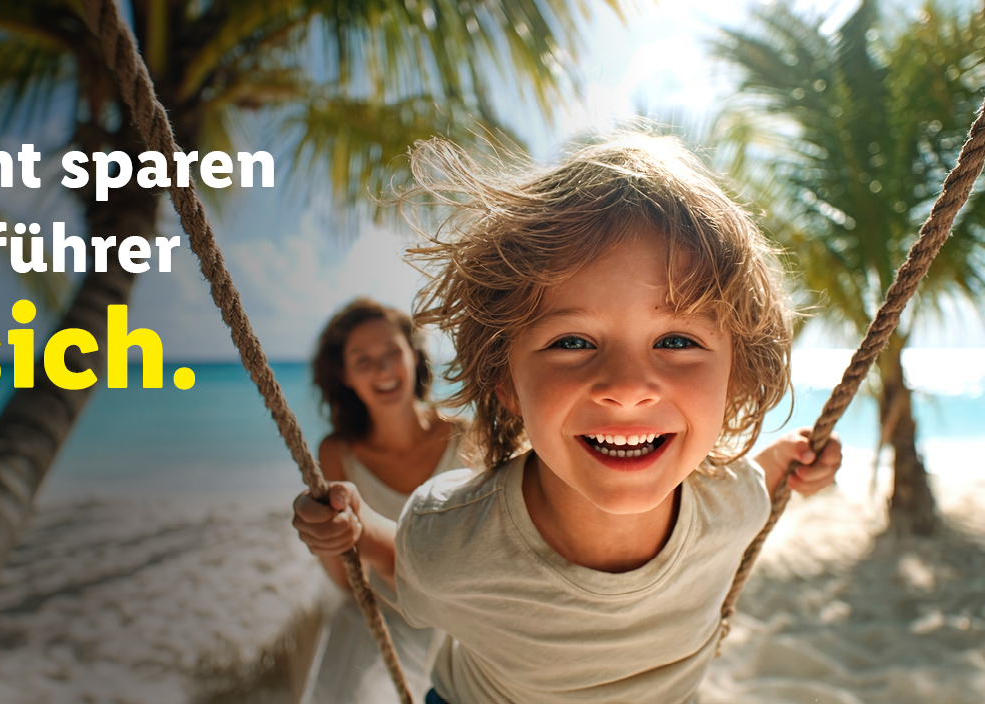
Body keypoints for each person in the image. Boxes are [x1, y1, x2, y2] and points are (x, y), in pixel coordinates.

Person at [291, 133, 840, 703]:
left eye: (676, 339)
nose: (627, 390)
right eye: (573, 340)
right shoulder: (451, 533)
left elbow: (763, 479)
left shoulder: (736, 500)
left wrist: (793, 460)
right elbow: (401, 558)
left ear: (736, 378)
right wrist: (350, 529)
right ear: (505, 380)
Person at [298, 297, 465, 704]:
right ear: (345, 375)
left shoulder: (468, 436)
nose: (384, 369)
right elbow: (345, 581)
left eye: (392, 353)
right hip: (384, 614)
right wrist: (327, 538)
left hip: (464, 613)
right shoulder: (338, 453)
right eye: (364, 360)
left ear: (414, 356)